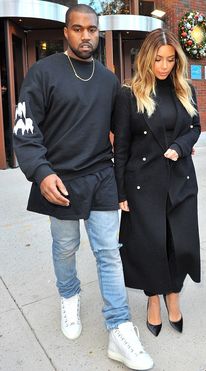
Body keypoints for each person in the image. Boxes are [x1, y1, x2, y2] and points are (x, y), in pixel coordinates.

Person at [13, 4, 154, 370]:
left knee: (108, 252)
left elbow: (124, 135)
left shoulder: (109, 80)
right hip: (59, 179)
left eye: (91, 29)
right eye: (78, 29)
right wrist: (41, 173)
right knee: (66, 247)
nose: (85, 35)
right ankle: (69, 295)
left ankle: (120, 327)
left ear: (99, 33)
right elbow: (25, 129)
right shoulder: (43, 73)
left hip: (101, 176)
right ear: (66, 32)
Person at [113, 28, 201, 337]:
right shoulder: (129, 93)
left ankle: (173, 293)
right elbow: (121, 145)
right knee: (150, 244)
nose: (163, 66)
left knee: (179, 241)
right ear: (147, 58)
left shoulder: (185, 89)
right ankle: (153, 297)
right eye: (158, 59)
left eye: (170, 60)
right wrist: (120, 190)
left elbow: (195, 127)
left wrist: (179, 147)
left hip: (180, 179)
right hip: (143, 183)